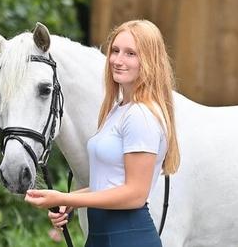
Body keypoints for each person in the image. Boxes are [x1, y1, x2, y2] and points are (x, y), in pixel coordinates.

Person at [24, 19, 180, 247]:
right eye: (115, 51)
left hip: (128, 237)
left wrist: (64, 197)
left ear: (149, 60)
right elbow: (109, 183)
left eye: (130, 54)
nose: (117, 60)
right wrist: (74, 201)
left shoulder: (141, 116)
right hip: (101, 237)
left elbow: (135, 194)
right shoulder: (118, 110)